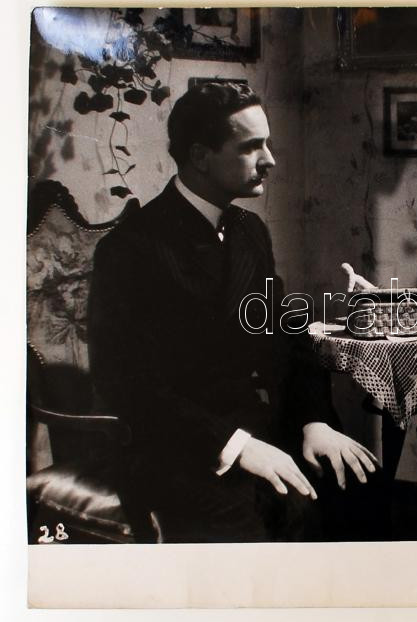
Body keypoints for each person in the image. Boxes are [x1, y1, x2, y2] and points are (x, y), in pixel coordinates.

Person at [89, 81, 379, 542]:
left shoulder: (249, 231)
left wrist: (314, 420)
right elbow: (128, 385)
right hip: (180, 448)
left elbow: (286, 333)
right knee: (258, 522)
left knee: (358, 486)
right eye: (250, 147)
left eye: (268, 143)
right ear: (201, 156)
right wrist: (237, 447)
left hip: (257, 427)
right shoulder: (131, 248)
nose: (270, 160)